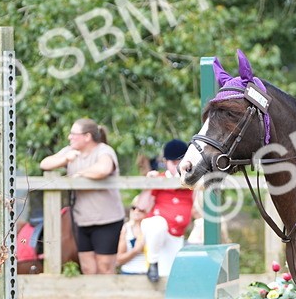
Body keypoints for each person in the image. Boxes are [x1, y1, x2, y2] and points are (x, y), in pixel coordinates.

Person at [40, 118, 123, 275]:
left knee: (104, 267)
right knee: (87, 268)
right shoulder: (70, 151)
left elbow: (103, 169)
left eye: (73, 134)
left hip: (107, 219)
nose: (69, 137)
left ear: (87, 136)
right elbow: (45, 164)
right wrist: (65, 159)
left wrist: (80, 173)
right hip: (82, 220)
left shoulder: (104, 151)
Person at [142, 138, 195, 282]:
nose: (177, 166)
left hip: (178, 234)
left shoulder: (191, 181)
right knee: (157, 224)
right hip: (158, 233)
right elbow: (142, 207)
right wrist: (150, 184)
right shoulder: (159, 178)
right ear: (165, 162)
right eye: (174, 163)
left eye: (180, 162)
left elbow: (197, 210)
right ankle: (152, 262)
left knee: (171, 277)